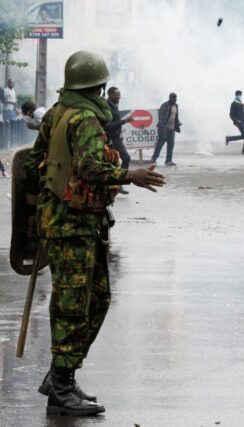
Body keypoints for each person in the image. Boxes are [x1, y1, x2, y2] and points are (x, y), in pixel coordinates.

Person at [25, 50, 166, 416]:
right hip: (71, 223)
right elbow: (89, 166)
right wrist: (128, 175)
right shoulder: (84, 118)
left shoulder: (58, 113)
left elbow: (32, 159)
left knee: (97, 299)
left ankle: (62, 376)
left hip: (72, 221)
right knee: (73, 305)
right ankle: (60, 385)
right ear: (98, 86)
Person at [104, 86, 133, 194]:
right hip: (109, 139)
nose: (119, 97)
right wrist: (123, 121)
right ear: (110, 95)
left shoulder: (115, 105)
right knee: (115, 161)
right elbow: (107, 126)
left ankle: (119, 184)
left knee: (125, 159)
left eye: (119, 95)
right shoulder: (106, 107)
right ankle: (115, 184)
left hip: (116, 138)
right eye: (117, 95)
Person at [151, 92, 181, 166]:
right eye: (173, 98)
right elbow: (161, 116)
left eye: (175, 98)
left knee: (171, 145)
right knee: (160, 144)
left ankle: (168, 161)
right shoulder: (165, 105)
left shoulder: (176, 106)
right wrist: (162, 127)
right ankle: (153, 159)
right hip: (164, 128)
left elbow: (175, 116)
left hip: (172, 128)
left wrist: (178, 123)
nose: (174, 99)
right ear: (169, 98)